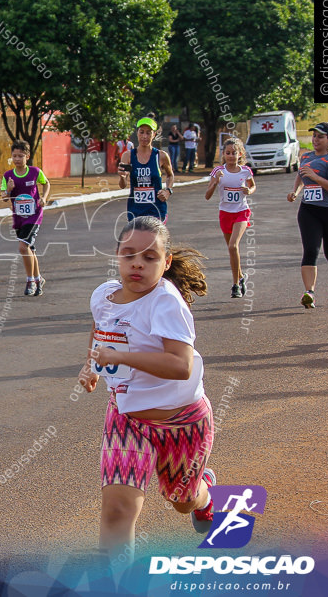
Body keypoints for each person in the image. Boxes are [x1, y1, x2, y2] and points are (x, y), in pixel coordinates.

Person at [77, 216, 215, 563]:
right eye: (129, 255)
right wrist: (92, 365)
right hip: (128, 419)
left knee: (182, 501)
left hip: (182, 420)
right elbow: (101, 329)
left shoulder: (166, 302)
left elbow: (180, 365)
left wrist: (121, 356)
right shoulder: (103, 294)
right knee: (117, 511)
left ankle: (205, 495)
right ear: (117, 256)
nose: (137, 263)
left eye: (150, 257)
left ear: (166, 262)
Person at [286, 122, 328, 307]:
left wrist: (317, 177)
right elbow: (301, 176)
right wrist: (296, 191)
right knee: (311, 250)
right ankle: (309, 292)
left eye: (320, 136)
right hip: (309, 210)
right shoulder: (306, 156)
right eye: (314, 136)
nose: (315, 139)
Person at [204, 138, 256, 298]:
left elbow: (253, 186)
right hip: (225, 213)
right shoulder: (218, 171)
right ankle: (241, 277)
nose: (231, 156)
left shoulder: (245, 171)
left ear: (240, 154)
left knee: (233, 246)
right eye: (228, 153)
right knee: (231, 250)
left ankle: (235, 286)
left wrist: (249, 190)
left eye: (234, 153)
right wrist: (215, 182)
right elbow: (207, 195)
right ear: (223, 154)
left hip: (241, 211)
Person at [1, 139, 51, 295]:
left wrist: (44, 198)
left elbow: (46, 183)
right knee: (30, 249)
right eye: (14, 156)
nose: (17, 159)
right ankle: (38, 279)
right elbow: (3, 197)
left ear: (27, 156)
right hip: (19, 217)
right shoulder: (8, 176)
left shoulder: (35, 172)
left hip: (34, 215)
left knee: (23, 247)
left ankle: (30, 281)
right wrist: (8, 190)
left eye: (20, 156)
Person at [118, 117, 175, 223]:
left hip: (156, 211)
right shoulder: (128, 156)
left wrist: (168, 191)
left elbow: (170, 175)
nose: (145, 136)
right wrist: (122, 177)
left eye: (148, 133)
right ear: (137, 133)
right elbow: (122, 185)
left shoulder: (161, 156)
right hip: (135, 211)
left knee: (154, 239)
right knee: (138, 239)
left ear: (154, 135)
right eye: (142, 132)